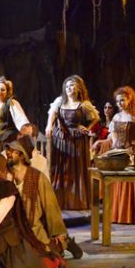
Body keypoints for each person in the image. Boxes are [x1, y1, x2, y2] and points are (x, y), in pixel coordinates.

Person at [5, 136, 82, 259]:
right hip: (11, 225)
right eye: (8, 150)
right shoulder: (5, 174)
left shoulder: (38, 178)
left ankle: (65, 243)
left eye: (13, 151)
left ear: (22, 156)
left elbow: (50, 205)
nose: (8, 153)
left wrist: (58, 232)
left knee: (44, 252)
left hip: (32, 226)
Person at [92, 86, 135, 224]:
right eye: (118, 101)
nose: (119, 103)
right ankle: (118, 215)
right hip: (118, 151)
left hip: (130, 151)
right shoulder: (117, 116)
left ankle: (133, 216)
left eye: (122, 100)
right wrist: (115, 144)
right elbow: (113, 132)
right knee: (115, 180)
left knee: (130, 182)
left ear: (129, 99)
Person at [45, 75, 100, 210]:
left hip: (77, 139)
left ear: (78, 88)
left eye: (72, 85)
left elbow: (96, 118)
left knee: (76, 168)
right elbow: (52, 114)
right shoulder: (60, 101)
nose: (69, 88)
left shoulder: (84, 104)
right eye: (67, 86)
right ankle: (60, 200)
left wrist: (87, 128)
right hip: (61, 138)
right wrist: (49, 126)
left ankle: (76, 202)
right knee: (61, 168)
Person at [0, 76, 32, 151]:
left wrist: (25, 130)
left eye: (3, 90)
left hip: (7, 138)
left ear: (7, 92)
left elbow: (20, 119)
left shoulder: (11, 103)